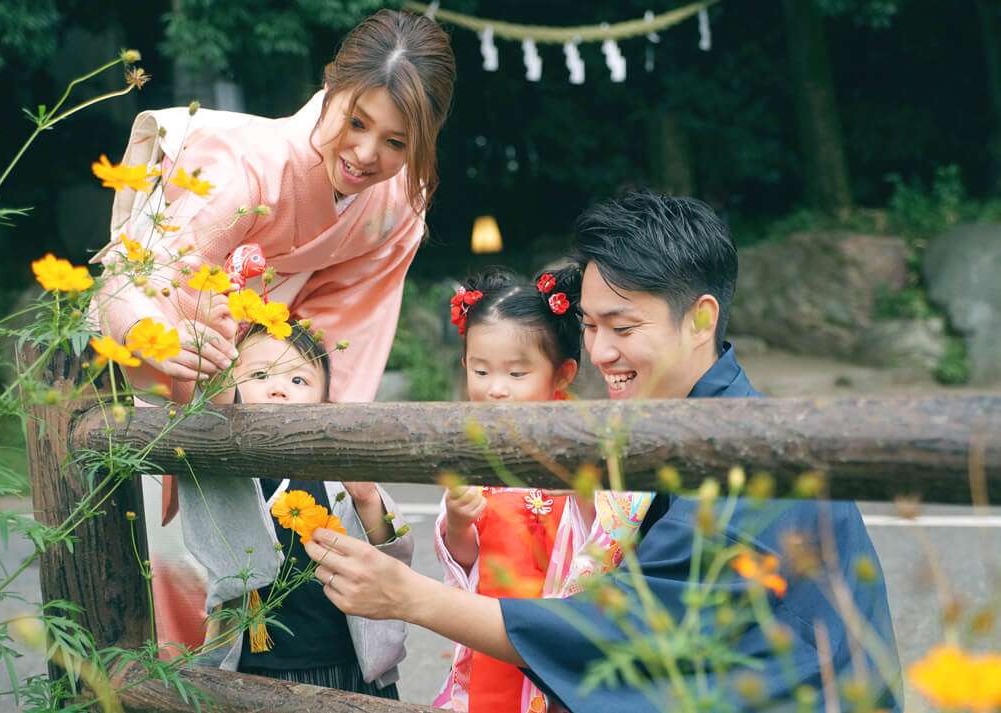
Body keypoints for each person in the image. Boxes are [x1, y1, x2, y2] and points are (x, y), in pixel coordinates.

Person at [304, 192, 902, 712]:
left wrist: (411, 597)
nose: (601, 353)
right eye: (590, 327)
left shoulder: (744, 460)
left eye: (622, 327)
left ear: (701, 320)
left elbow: (615, 635)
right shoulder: (690, 422)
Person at [90, 9, 455, 649]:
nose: (367, 155)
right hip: (174, 363)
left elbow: (347, 330)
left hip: (273, 383)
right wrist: (162, 337)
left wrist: (312, 422)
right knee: (171, 594)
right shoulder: (248, 164)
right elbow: (132, 274)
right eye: (357, 122)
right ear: (330, 88)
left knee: (281, 597)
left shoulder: (399, 206)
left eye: (397, 143)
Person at [432, 266, 654, 711]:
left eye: (516, 374)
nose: (496, 390)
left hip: (560, 623)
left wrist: (587, 493)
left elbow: (611, 534)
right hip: (493, 622)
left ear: (562, 373)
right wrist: (458, 521)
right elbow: (465, 559)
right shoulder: (471, 447)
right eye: (481, 370)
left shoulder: (586, 442)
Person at [177, 318, 412, 696]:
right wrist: (217, 344)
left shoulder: (335, 468)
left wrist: (367, 499)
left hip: (345, 660)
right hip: (256, 663)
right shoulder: (229, 469)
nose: (279, 390)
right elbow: (214, 405)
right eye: (259, 374)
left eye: (298, 380)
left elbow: (392, 546)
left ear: (325, 403)